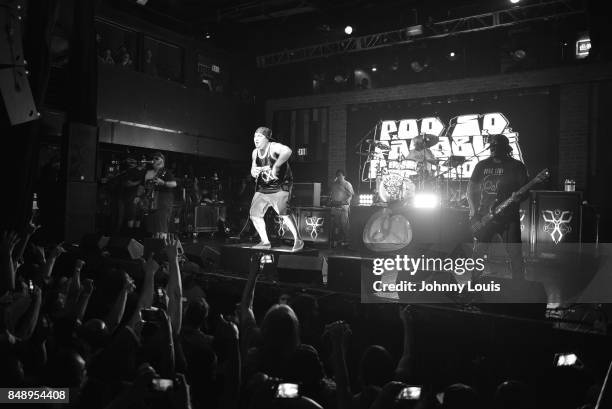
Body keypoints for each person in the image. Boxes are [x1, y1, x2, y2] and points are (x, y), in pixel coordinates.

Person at [467, 134, 528, 280]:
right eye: (492, 146)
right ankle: (473, 286)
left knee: (515, 253)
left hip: (508, 217)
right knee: (478, 253)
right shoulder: (481, 165)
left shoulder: (516, 166)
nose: (494, 149)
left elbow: (525, 192)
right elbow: (471, 189)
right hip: (485, 217)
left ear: (506, 148)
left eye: (497, 147)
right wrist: (474, 212)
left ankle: (519, 288)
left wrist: (519, 196)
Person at [249, 126, 303, 251]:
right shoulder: (255, 152)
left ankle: (298, 239)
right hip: (264, 187)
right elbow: (252, 170)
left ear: (267, 139)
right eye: (254, 136)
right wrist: (254, 171)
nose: (256, 139)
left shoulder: (273, 147)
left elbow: (288, 151)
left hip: (280, 185)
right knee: (254, 214)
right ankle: (265, 241)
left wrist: (277, 165)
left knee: (283, 213)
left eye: (259, 136)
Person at [143, 152, 177, 238]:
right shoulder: (150, 172)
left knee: (162, 225)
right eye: (154, 158)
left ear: (162, 161)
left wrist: (163, 183)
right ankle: (155, 246)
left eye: (157, 158)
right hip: (153, 201)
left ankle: (162, 247)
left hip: (164, 200)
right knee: (154, 227)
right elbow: (145, 186)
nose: (154, 160)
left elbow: (174, 184)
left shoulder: (166, 172)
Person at [329, 170, 354, 245]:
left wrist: (345, 202)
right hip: (335, 207)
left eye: (340, 175)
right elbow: (331, 194)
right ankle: (338, 239)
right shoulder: (334, 184)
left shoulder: (347, 184)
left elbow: (351, 195)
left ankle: (348, 240)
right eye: (337, 175)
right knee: (336, 224)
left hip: (343, 207)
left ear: (344, 176)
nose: (339, 177)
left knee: (344, 224)